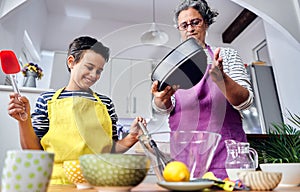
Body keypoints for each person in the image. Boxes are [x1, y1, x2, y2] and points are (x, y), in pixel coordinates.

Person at [8, 36, 146, 184]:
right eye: (89, 67)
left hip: (98, 183)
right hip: (57, 183)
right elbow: (34, 151)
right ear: (71, 62)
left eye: (99, 71)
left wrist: (131, 137)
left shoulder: (106, 104)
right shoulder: (46, 100)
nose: (94, 75)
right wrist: (24, 121)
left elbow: (109, 150)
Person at [151, 0, 254, 179]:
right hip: (186, 157)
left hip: (227, 155)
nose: (190, 29)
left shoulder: (226, 55)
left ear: (205, 23)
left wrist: (223, 80)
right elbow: (162, 108)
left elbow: (245, 101)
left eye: (195, 22)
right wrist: (161, 100)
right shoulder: (172, 64)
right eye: (184, 25)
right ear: (179, 29)